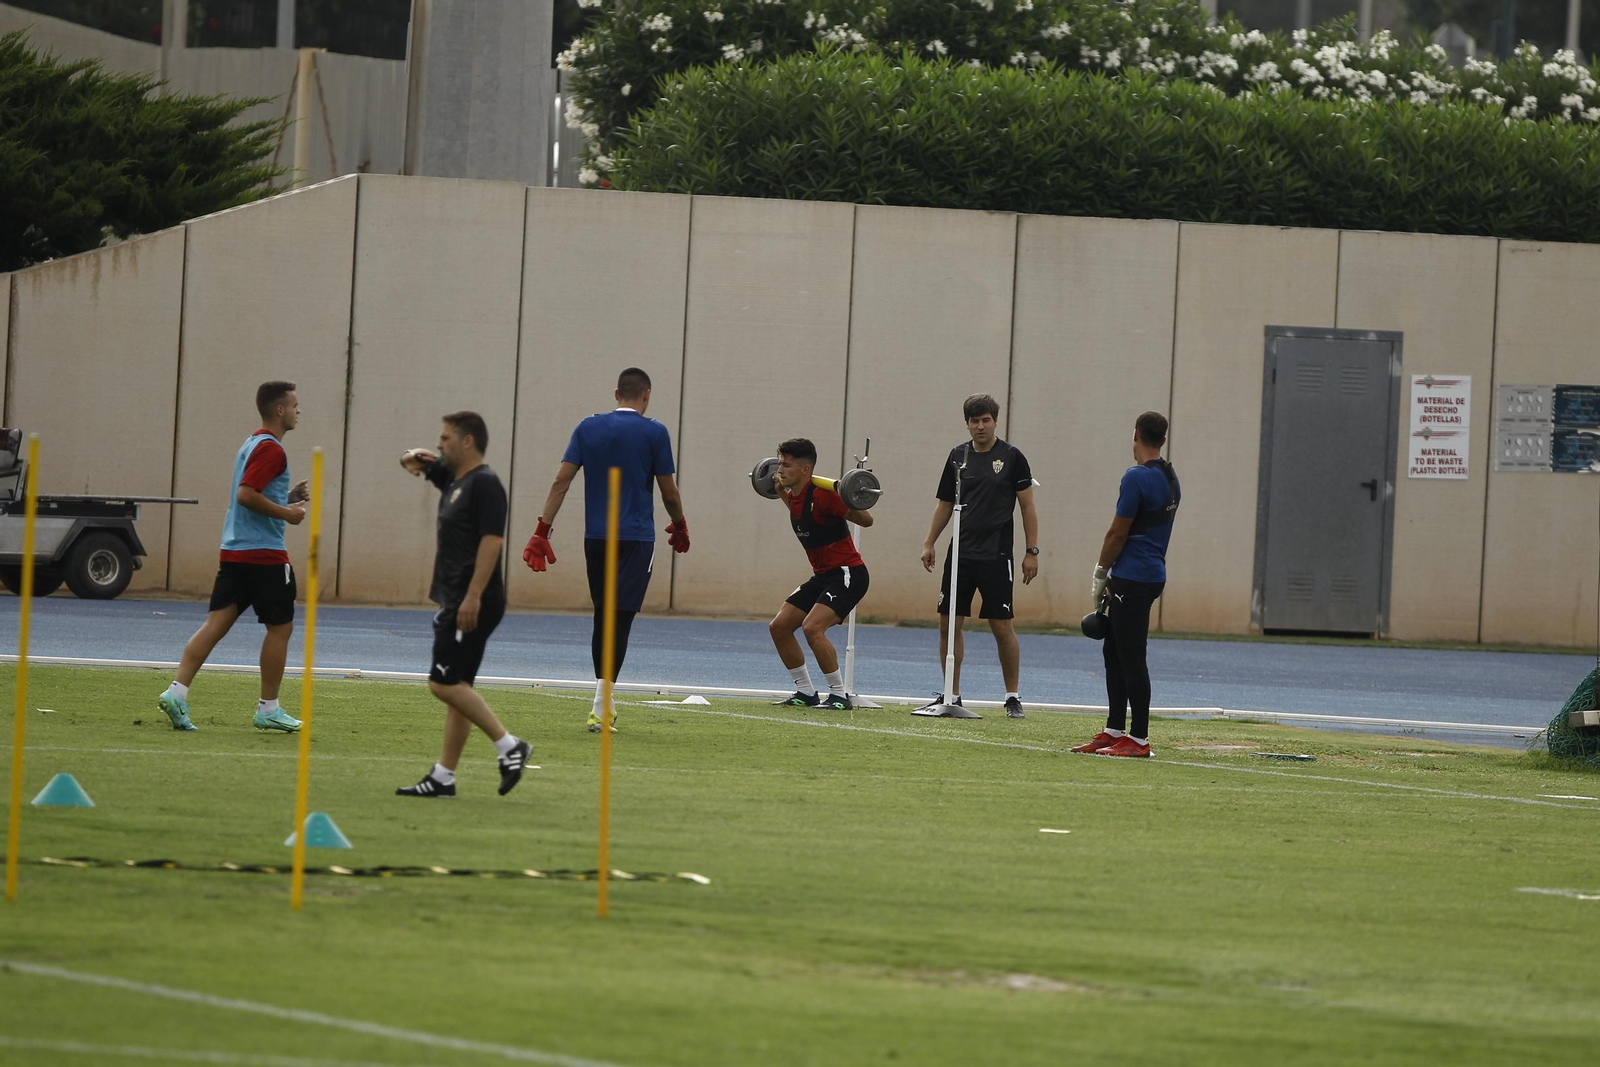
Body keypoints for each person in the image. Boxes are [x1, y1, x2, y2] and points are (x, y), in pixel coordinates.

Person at [522, 368, 688, 732]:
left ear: (616, 393)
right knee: (620, 617)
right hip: (636, 538)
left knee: (603, 615)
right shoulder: (655, 432)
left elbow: (561, 480)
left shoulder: (587, 427)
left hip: (597, 537)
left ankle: (602, 704)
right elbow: (669, 491)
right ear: (646, 394)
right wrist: (680, 524)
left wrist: (541, 531)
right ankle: (601, 706)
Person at [156, 381, 309, 733]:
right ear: (280, 410)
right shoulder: (272, 450)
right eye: (295, 405)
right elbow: (246, 495)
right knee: (281, 628)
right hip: (264, 555)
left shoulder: (251, 443)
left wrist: (286, 497)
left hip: (235, 551)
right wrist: (288, 514)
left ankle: (176, 692)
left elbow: (254, 493)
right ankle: (269, 708)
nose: (299, 411)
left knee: (215, 625)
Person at [394, 412, 531, 797]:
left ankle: (509, 745)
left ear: (467, 441)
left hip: (472, 599)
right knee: (459, 687)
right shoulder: (455, 480)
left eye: (446, 438)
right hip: (458, 596)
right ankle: (443, 776)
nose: (440, 444)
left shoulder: (485, 484)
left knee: (441, 683)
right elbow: (408, 460)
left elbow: (493, 541)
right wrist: (419, 456)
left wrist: (472, 596)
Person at [917, 394, 1039, 718]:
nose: (981, 426)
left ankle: (1012, 696)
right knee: (948, 625)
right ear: (967, 424)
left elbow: (1027, 507)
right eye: (975, 421)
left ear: (995, 421)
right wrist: (929, 543)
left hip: (996, 555)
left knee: (1001, 626)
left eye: (986, 420)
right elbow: (945, 503)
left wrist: (1031, 551)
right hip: (960, 554)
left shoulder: (1012, 457)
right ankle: (951, 694)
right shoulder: (958, 456)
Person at [1072, 411, 1180, 759]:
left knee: (1132, 657)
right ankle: (1115, 729)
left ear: (1135, 434)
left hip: (1133, 576)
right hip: (1149, 573)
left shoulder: (1136, 477)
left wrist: (1100, 571)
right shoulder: (1170, 476)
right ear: (1163, 439)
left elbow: (1117, 533)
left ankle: (1139, 739)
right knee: (1114, 652)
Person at [766, 439, 873, 711]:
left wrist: (850, 494)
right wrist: (780, 493)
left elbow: (867, 520)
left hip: (848, 573)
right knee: (779, 627)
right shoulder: (795, 496)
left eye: (786, 465)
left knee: (812, 628)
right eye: (779, 463)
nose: (780, 470)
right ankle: (805, 692)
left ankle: (839, 696)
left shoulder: (825, 495)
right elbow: (803, 515)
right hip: (823, 576)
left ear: (805, 469)